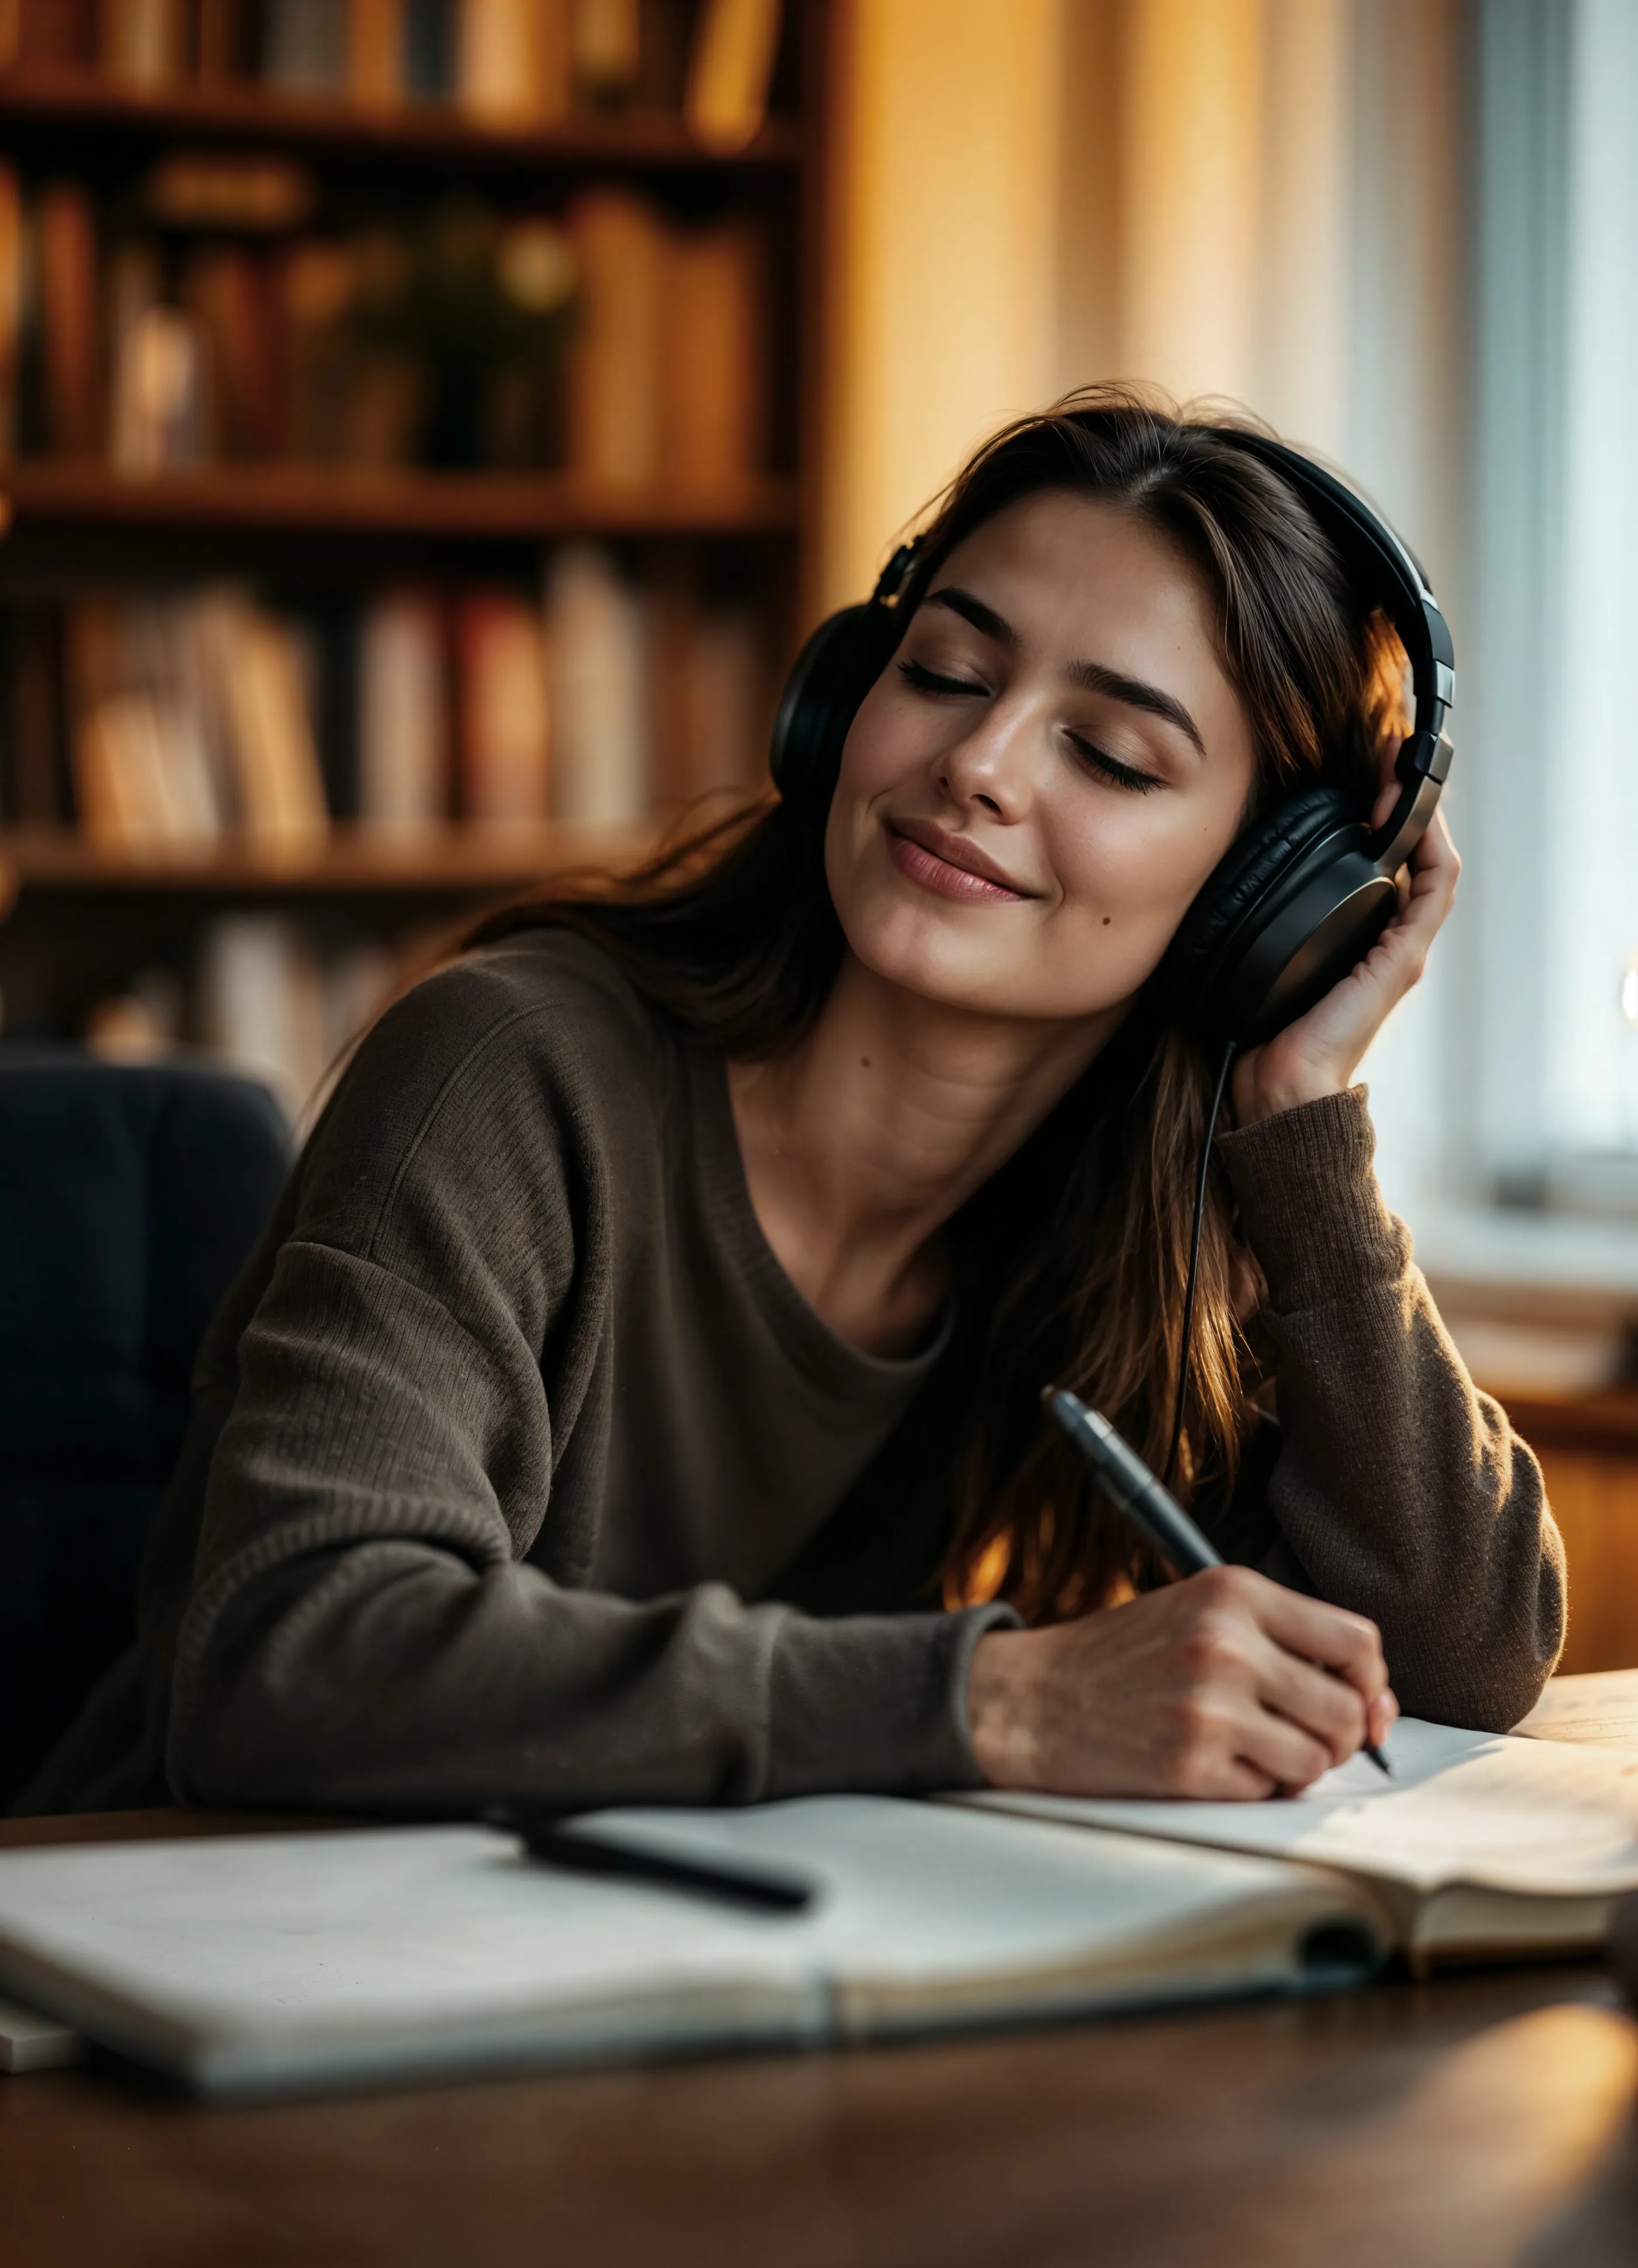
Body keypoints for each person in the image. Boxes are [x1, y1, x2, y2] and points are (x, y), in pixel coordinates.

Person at [21, 390, 1564, 1820]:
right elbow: (295, 1658)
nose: (977, 762)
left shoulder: (1114, 1231)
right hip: (173, 2002)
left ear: (1257, 899)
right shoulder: (513, 1068)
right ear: (840, 703)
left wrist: (1303, 1120)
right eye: (946, 674)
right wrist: (993, 1702)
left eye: (1109, 751)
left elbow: (1459, 1663)